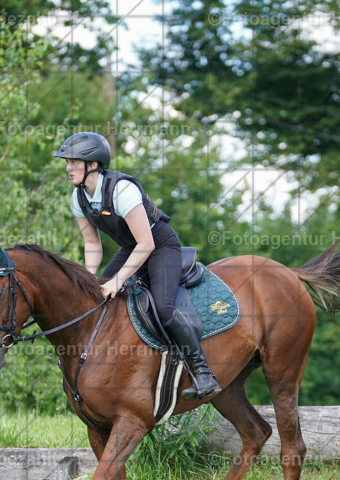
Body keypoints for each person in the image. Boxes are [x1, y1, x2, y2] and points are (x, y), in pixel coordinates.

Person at [54, 132, 221, 399]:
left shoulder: (121, 190)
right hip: (132, 249)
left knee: (164, 308)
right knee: (98, 299)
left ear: (93, 165)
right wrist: (89, 278)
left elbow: (147, 243)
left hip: (159, 245)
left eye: (74, 162)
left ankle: (203, 374)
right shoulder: (79, 198)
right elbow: (92, 244)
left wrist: (118, 281)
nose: (68, 168)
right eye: (67, 162)